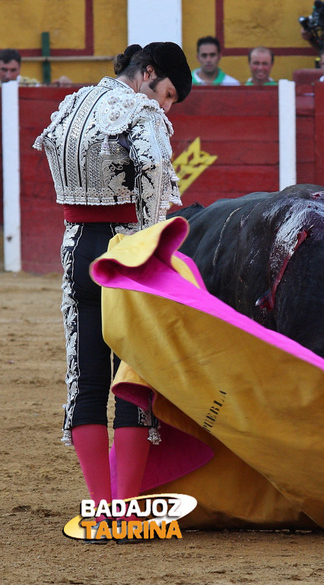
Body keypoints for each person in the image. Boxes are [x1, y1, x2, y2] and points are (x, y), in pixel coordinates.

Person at [33, 42, 192, 532]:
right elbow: (150, 173)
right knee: (133, 378)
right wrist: (150, 243)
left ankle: (102, 509)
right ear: (148, 74)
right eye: (166, 94)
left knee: (87, 378)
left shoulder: (72, 104)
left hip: (77, 247)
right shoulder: (142, 113)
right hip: (126, 252)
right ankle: (126, 507)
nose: (164, 106)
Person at [0, 47, 72, 85]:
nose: (8, 76)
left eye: (13, 70)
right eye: (4, 70)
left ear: (19, 69)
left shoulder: (31, 85)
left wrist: (63, 85)